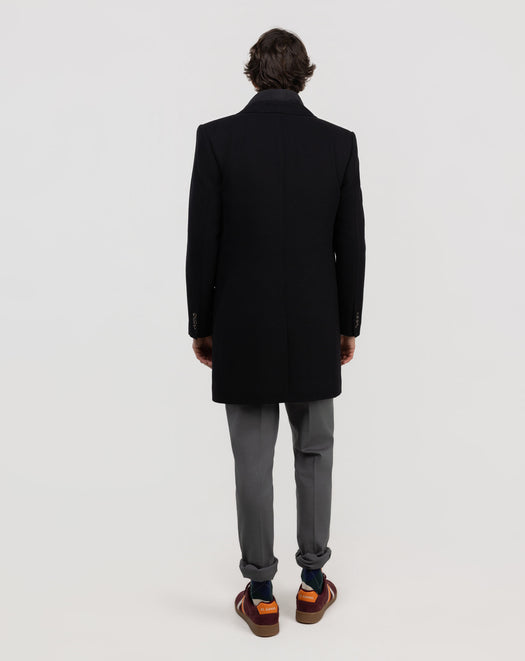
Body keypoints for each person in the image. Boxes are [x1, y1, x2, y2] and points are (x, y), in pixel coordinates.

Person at [185, 27, 366, 637]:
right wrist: (347, 324)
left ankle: (261, 594)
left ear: (252, 72)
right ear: (304, 73)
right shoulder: (338, 143)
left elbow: (202, 240)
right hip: (316, 326)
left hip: (242, 327)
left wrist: (201, 323)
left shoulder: (217, 139)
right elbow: (351, 245)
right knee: (315, 452)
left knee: (252, 460)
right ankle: (313, 585)